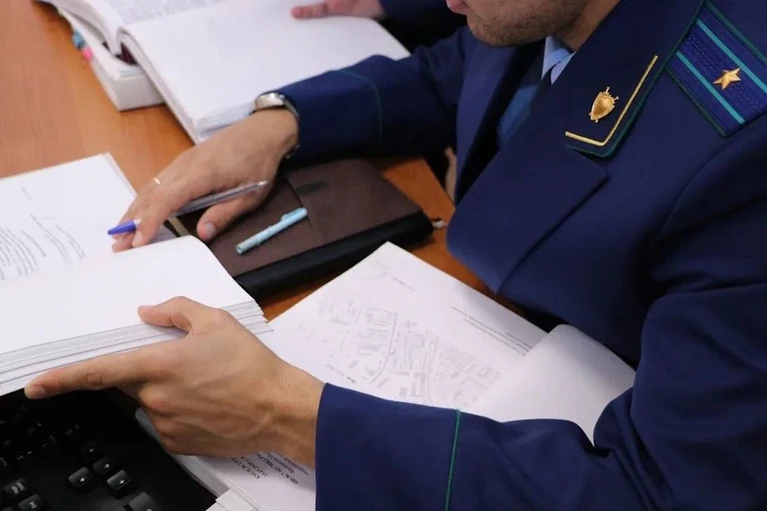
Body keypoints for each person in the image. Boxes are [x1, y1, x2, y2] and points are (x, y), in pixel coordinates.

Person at [26, 0, 767, 508]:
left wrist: (286, 415)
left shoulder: (744, 153)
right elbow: (465, 66)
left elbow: (664, 491)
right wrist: (282, 122)